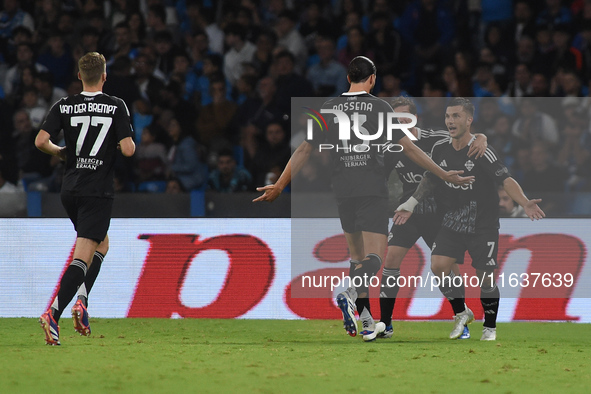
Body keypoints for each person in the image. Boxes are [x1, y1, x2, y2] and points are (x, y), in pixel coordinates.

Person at [254, 56, 474, 341]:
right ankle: (347, 291)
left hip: (343, 190)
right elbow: (409, 148)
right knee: (374, 259)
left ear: (348, 78)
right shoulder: (380, 107)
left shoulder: (328, 107)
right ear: (372, 79)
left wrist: (280, 185)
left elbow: (304, 150)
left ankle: (367, 320)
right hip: (371, 189)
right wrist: (444, 174)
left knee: (357, 258)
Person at [395, 97, 545, 341]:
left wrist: (524, 202)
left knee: (485, 278)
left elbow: (505, 179)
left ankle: (490, 327)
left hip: (482, 225)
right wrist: (411, 204)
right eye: (447, 116)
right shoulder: (439, 148)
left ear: (468, 120)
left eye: (455, 116)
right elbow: (430, 179)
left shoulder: (480, 150)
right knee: (438, 265)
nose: (450, 121)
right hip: (452, 221)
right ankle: (461, 312)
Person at [35, 52, 135, 345]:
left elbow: (41, 141)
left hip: (70, 188)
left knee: (100, 242)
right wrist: (117, 143)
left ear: (79, 77)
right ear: (104, 76)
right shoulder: (116, 105)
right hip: (97, 190)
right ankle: (54, 312)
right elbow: (128, 150)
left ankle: (83, 302)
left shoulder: (64, 105)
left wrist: (60, 151)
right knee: (85, 253)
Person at [378, 97, 488, 339]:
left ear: (415, 118)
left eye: (404, 118)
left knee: (447, 267)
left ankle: (462, 316)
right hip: (409, 212)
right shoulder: (390, 145)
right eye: (395, 119)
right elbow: (379, 177)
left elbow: (466, 137)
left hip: (441, 213)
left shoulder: (436, 138)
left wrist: (482, 137)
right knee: (391, 260)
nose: (400, 123)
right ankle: (385, 324)